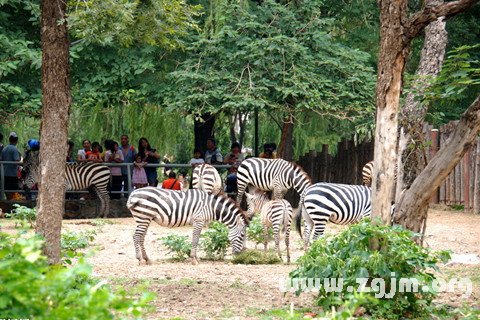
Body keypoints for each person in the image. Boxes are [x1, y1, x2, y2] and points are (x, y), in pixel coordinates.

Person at [2, 132, 21, 200]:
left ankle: (8, 202)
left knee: (6, 190)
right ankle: (12, 204)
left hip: (4, 174)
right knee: (13, 191)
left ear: (9, 140)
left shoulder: (4, 149)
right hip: (12, 174)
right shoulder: (15, 149)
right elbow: (16, 161)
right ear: (16, 141)